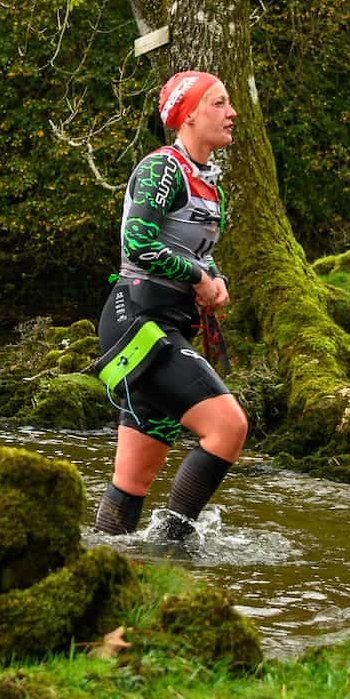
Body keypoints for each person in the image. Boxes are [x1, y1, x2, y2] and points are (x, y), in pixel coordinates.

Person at [93, 71, 247, 539]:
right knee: (228, 427)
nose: (231, 112)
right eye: (219, 103)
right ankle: (172, 550)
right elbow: (137, 244)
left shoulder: (208, 181)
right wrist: (199, 277)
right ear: (189, 115)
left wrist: (213, 277)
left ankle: (109, 558)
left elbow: (195, 252)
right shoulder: (163, 168)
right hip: (138, 323)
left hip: (166, 324)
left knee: (133, 477)